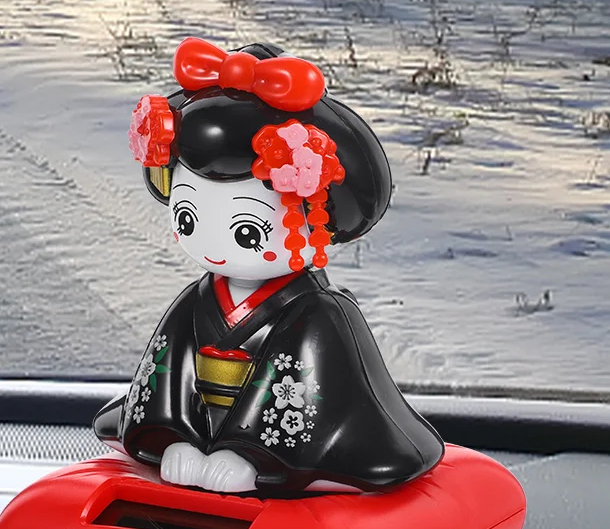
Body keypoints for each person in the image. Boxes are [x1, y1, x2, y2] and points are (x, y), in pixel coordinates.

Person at [95, 36, 444, 494]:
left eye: (247, 232)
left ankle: (252, 450)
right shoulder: (200, 300)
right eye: (188, 217)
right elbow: (170, 365)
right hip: (198, 430)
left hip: (268, 446)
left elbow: (310, 392)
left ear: (315, 216)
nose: (216, 250)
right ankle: (187, 434)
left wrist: (250, 455)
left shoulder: (317, 312)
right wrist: (174, 436)